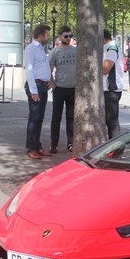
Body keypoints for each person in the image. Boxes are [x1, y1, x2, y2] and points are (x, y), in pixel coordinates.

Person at [23, 24, 53, 159]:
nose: (48, 37)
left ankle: (37, 145)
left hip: (43, 85)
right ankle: (31, 147)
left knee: (40, 118)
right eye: (47, 34)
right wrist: (33, 90)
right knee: (34, 117)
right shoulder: (31, 49)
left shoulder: (41, 49)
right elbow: (29, 70)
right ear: (41, 35)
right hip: (35, 85)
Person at [48, 25, 77, 154]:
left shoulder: (76, 50)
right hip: (60, 88)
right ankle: (54, 143)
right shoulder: (55, 52)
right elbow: (49, 70)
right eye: (66, 36)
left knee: (71, 117)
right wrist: (53, 85)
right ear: (60, 37)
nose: (68, 38)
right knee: (56, 117)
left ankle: (71, 142)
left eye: (70, 36)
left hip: (73, 88)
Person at [103, 29, 124, 139]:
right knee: (109, 120)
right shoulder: (108, 48)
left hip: (111, 89)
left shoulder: (111, 49)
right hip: (109, 89)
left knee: (112, 121)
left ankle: (116, 149)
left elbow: (105, 69)